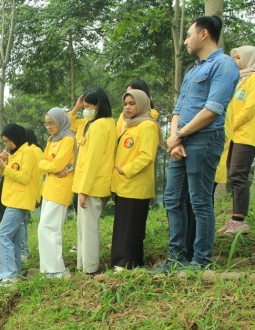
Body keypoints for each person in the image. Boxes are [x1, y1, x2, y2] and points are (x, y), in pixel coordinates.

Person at [156, 16, 240, 272]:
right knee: (172, 199)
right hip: (182, 142)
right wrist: (174, 141)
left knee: (200, 201)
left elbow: (213, 109)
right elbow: (179, 107)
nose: (186, 40)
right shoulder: (193, 70)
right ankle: (175, 258)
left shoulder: (224, 65)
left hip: (205, 140)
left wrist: (180, 134)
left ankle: (200, 261)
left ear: (204, 34)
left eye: (189, 34)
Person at [111, 90, 162, 271]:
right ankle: (129, 263)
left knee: (131, 226)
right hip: (124, 185)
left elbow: (147, 156)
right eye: (125, 104)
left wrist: (125, 170)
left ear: (141, 104)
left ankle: (125, 263)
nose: (127, 107)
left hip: (136, 185)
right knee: (123, 225)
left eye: (132, 103)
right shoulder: (130, 126)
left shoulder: (147, 126)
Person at [71, 88, 116, 276]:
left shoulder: (99, 126)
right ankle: (84, 266)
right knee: (84, 227)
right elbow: (69, 122)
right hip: (91, 184)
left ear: (98, 107)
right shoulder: (98, 124)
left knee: (88, 229)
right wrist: (76, 107)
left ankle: (90, 268)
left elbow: (93, 160)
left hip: (92, 185)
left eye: (88, 106)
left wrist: (84, 189)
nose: (85, 110)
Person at [0, 123, 39, 285]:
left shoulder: (28, 152)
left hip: (20, 201)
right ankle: (16, 274)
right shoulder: (16, 153)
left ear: (18, 137)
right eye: (5, 141)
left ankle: (8, 275)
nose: (8, 144)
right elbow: (10, 175)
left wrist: (5, 166)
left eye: (9, 140)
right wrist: (3, 164)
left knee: (2, 236)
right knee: (14, 239)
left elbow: (24, 178)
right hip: (11, 199)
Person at [217, 45, 255, 237]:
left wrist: (232, 124)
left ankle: (239, 220)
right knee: (232, 174)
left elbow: (249, 108)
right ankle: (234, 218)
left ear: (249, 59)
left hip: (246, 135)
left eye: (239, 58)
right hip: (233, 135)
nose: (235, 61)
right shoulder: (239, 81)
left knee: (238, 174)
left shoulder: (254, 79)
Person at [37, 108, 76, 278]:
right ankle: (48, 269)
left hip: (61, 188)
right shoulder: (51, 140)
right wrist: (51, 167)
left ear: (61, 121)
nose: (48, 126)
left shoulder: (68, 139)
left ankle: (57, 269)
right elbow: (42, 163)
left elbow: (56, 165)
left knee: (50, 228)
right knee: (43, 228)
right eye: (46, 123)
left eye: (51, 123)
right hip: (49, 187)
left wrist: (51, 167)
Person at [18, 126, 43, 262]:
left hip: (30, 191)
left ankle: (23, 251)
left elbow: (37, 175)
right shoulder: (32, 150)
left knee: (21, 222)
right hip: (28, 191)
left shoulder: (33, 151)